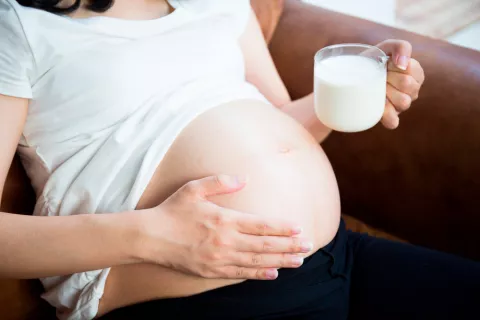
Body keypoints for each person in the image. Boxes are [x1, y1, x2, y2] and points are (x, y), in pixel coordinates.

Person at [0, 0, 478, 319]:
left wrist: (359, 84)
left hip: (336, 254)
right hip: (211, 295)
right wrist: (154, 235)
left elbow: (284, 124)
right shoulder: (19, 25)